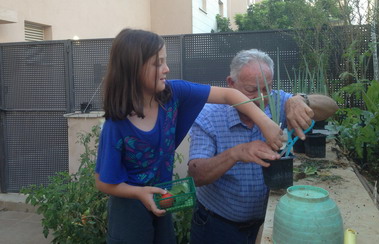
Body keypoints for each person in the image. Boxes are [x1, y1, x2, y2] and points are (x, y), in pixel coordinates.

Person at [94, 30, 284, 244]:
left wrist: (265, 122)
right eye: (158, 63)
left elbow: (228, 94)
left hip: (162, 198)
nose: (167, 69)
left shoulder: (173, 93)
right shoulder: (116, 124)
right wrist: (139, 193)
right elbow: (103, 182)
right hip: (129, 209)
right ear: (133, 69)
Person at [188, 49, 339, 244]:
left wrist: (301, 99)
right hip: (217, 226)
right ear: (231, 84)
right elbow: (196, 176)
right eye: (251, 90)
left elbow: (331, 107)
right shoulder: (209, 116)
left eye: (267, 88)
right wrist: (237, 153)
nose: (261, 97)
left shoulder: (278, 101)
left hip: (266, 222)